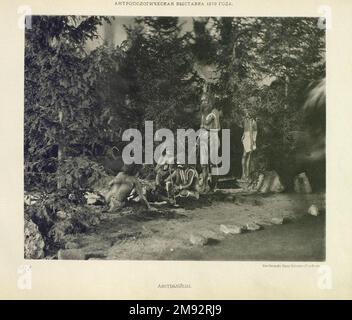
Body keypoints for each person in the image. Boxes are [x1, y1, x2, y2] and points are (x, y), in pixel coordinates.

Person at [199, 90, 221, 191]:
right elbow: (201, 126)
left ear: (210, 101)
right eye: (202, 101)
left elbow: (217, 127)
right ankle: (204, 185)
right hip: (204, 136)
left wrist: (206, 127)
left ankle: (214, 186)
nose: (203, 103)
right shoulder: (203, 113)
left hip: (213, 136)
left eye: (205, 101)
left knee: (213, 162)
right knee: (203, 164)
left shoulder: (214, 111)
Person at [241, 109, 258, 181]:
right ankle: (245, 175)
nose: (246, 114)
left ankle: (245, 175)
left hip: (248, 137)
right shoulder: (248, 121)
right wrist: (243, 135)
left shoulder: (249, 121)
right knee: (246, 156)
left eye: (247, 113)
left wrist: (253, 140)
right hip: (248, 138)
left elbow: (253, 131)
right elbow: (248, 131)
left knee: (246, 156)